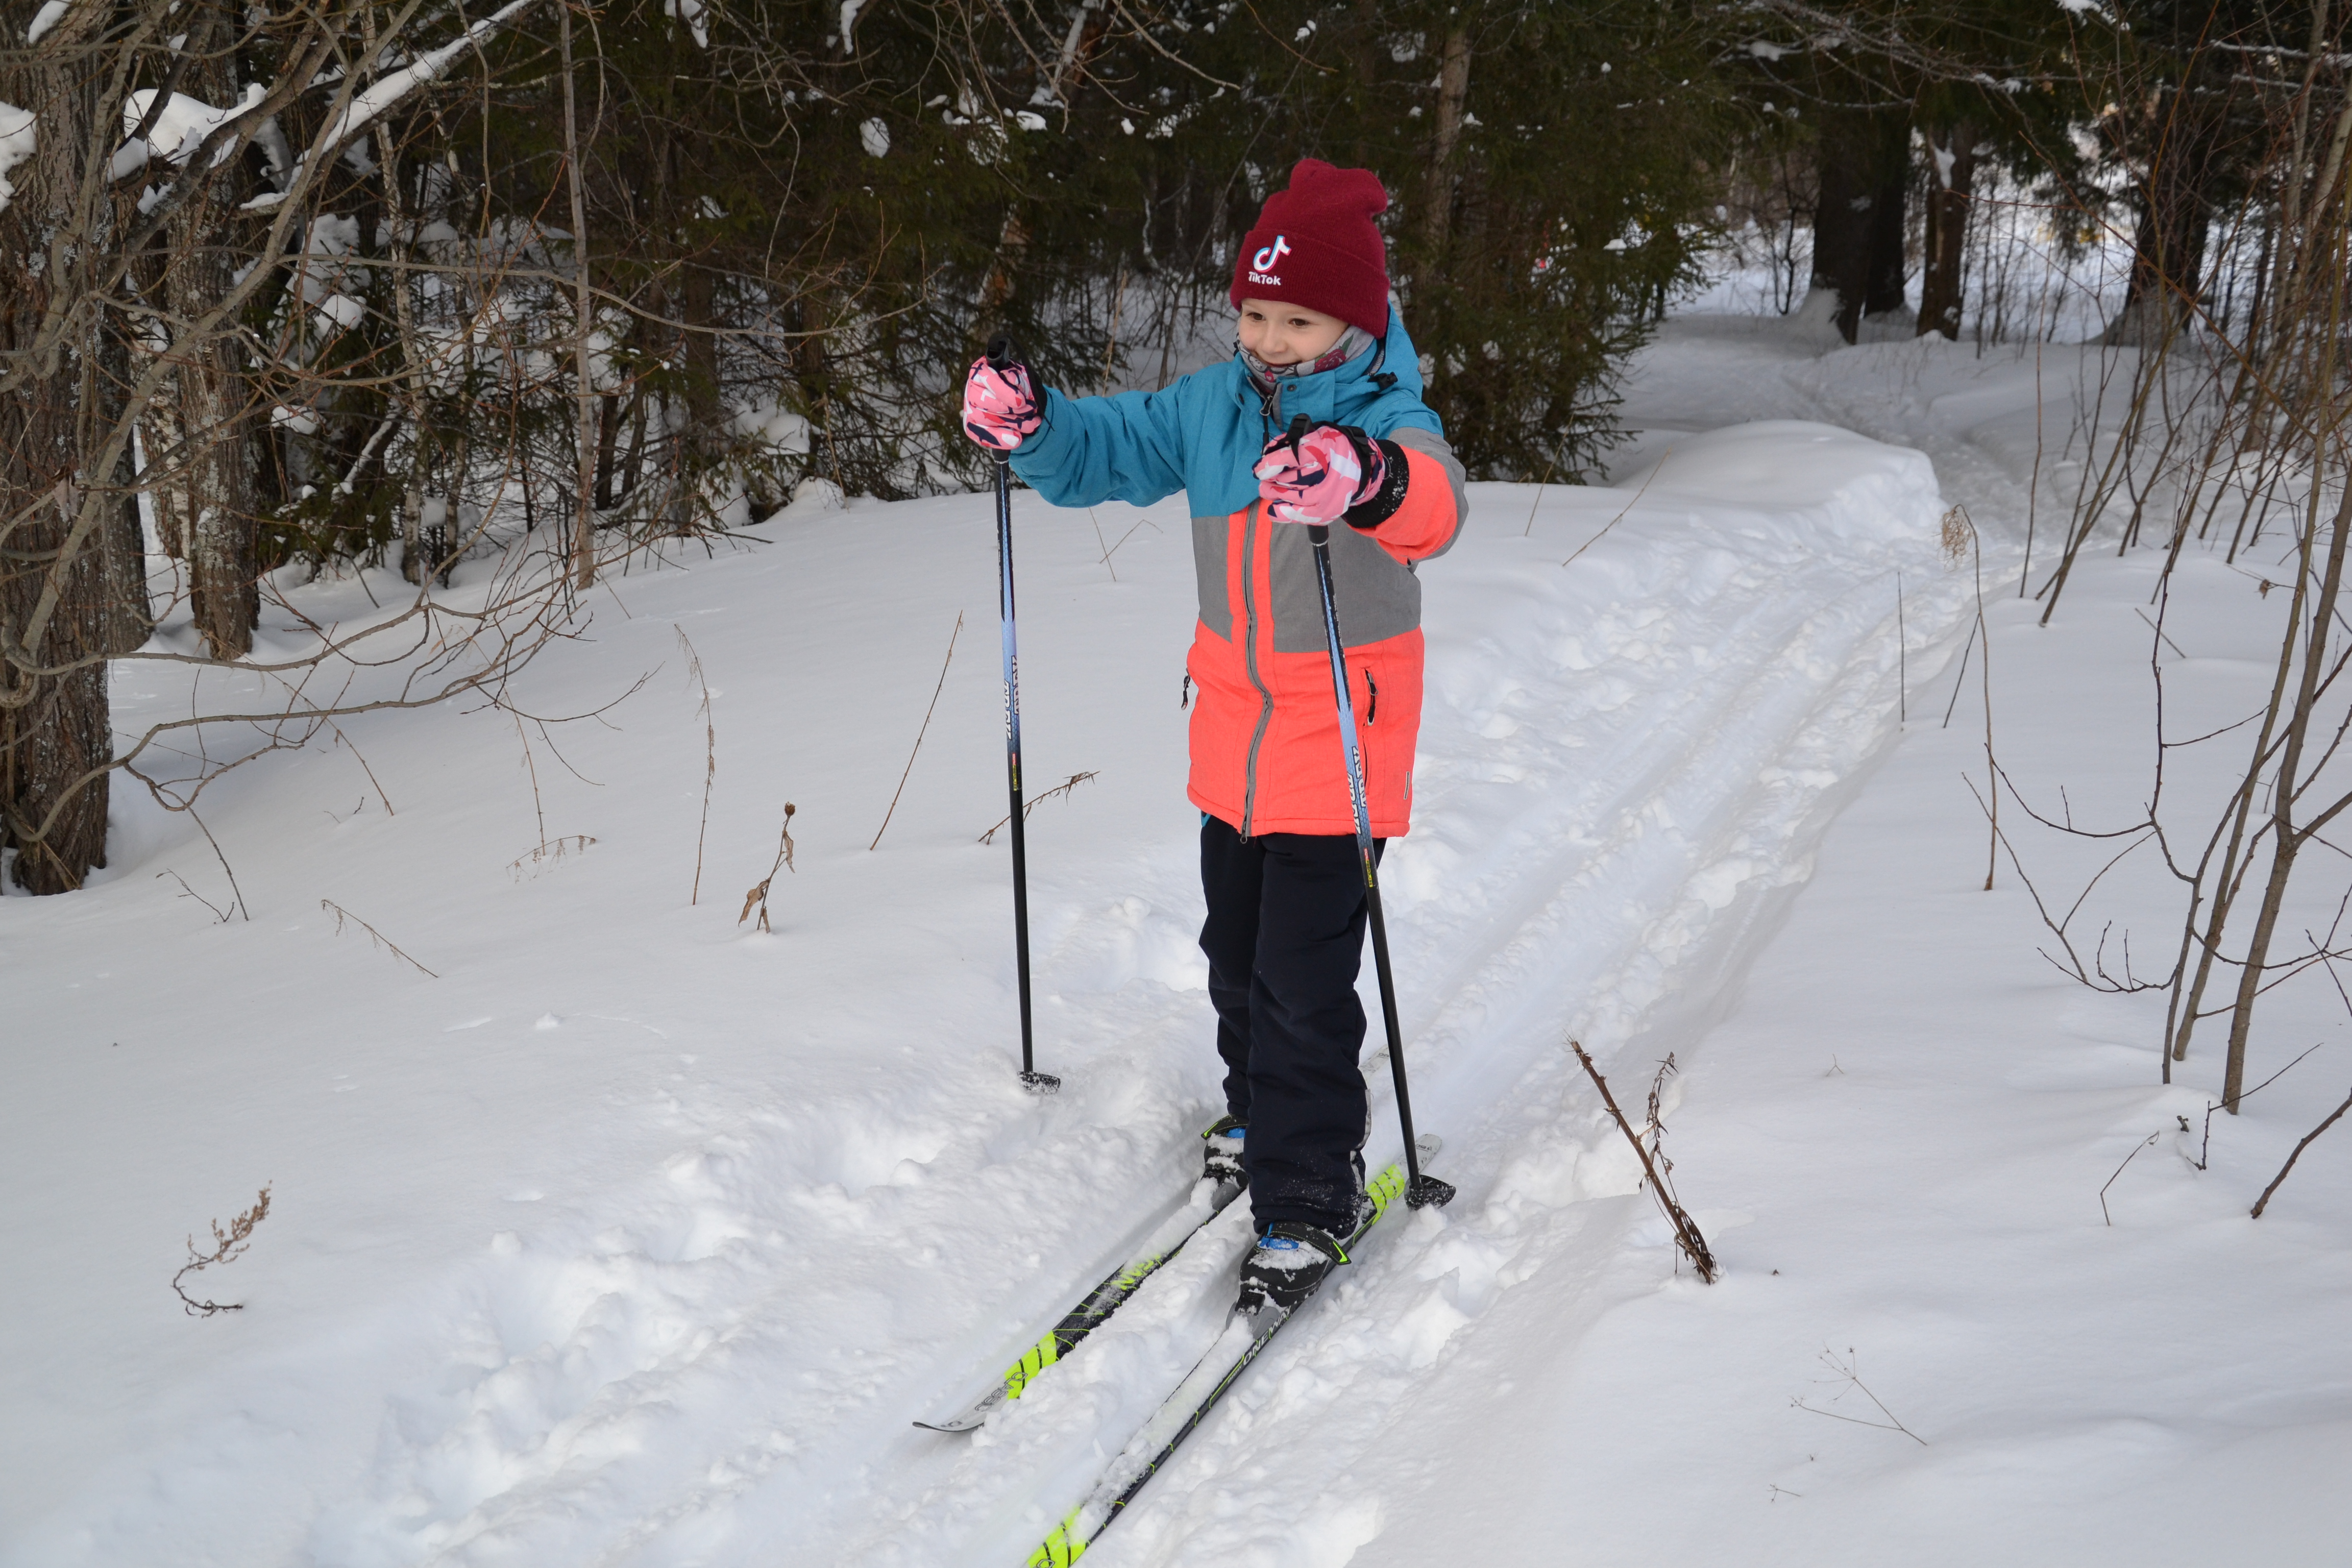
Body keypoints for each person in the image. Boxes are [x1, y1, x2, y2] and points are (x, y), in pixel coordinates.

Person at [959, 158, 1466, 1311]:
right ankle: (1259, 1108)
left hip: (1339, 752)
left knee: (1301, 977)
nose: (1270, 339)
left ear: (1357, 318)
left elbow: (1434, 504)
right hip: (1233, 747)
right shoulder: (1210, 407)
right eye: (1254, 312)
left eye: (1297, 317)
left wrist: (1365, 478)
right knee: (1234, 953)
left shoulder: (1384, 417)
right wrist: (1032, 427)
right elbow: (1101, 452)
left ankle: (1309, 1183)